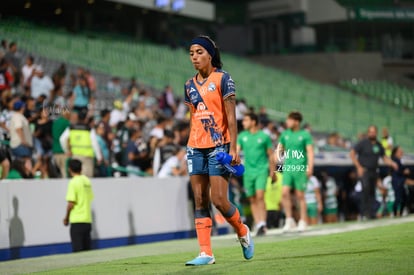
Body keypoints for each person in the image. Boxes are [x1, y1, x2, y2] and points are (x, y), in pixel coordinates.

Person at [184, 35, 253, 266]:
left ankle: (242, 230)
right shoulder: (188, 85)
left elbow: (231, 117)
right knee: (200, 199)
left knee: (220, 200)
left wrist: (234, 146)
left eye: (199, 52)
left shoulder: (223, 79)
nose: (194, 56)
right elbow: (193, 117)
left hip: (219, 146)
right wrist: (189, 143)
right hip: (195, 147)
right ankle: (206, 253)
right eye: (191, 53)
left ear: (210, 54)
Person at [237, 113, 275, 236]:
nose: (243, 123)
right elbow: (236, 151)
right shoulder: (242, 136)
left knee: (260, 196)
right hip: (248, 172)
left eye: (246, 120)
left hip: (261, 170)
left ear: (253, 122)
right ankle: (258, 224)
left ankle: (263, 223)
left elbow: (271, 155)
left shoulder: (264, 137)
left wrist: (272, 171)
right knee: (252, 198)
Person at [275, 111, 314, 232]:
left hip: (300, 168)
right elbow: (280, 149)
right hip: (288, 168)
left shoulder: (305, 135)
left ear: (296, 122)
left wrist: (310, 167)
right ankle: (289, 220)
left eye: (290, 120)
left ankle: (303, 220)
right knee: (285, 193)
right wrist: (276, 159)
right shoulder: (285, 134)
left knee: (300, 195)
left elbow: (310, 152)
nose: (287, 122)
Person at [350, 125, 398, 220]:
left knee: (373, 192)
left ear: (376, 133)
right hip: (364, 171)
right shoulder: (363, 143)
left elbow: (384, 157)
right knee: (365, 189)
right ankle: (364, 213)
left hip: (374, 171)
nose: (372, 133)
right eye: (370, 132)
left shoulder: (378, 145)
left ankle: (372, 213)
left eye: (374, 132)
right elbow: (352, 154)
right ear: (368, 133)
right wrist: (359, 167)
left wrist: (392, 163)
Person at [63, 159, 94, 252]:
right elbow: (90, 197)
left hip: (77, 220)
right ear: (81, 168)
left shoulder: (73, 182)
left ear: (69, 169)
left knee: (78, 251)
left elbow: (71, 203)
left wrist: (66, 218)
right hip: (87, 219)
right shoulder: (87, 181)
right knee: (87, 251)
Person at [390, 146, 414, 217]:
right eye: (400, 151)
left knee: (404, 198)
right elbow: (397, 172)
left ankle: (400, 213)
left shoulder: (399, 160)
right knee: (398, 198)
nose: (402, 152)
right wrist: (404, 171)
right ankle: (395, 213)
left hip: (399, 181)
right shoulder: (395, 161)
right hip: (397, 181)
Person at [52, 109, 71, 178]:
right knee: (65, 173)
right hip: (64, 151)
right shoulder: (66, 123)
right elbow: (67, 138)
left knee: (60, 172)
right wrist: (68, 150)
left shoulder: (55, 122)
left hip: (55, 151)